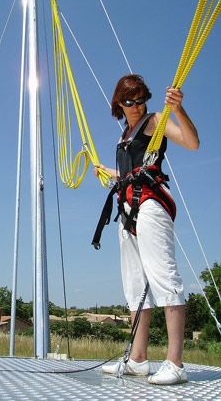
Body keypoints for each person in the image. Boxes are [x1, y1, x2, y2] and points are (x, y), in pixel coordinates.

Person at [94, 74, 199, 385]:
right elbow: (131, 173)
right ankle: (138, 359)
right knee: (135, 285)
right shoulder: (124, 135)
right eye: (130, 101)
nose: (137, 106)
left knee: (165, 278)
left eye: (141, 99)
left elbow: (192, 143)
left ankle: (175, 362)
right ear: (119, 104)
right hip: (127, 212)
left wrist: (178, 110)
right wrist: (108, 172)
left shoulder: (155, 121)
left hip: (151, 207)